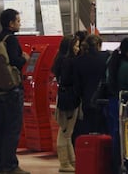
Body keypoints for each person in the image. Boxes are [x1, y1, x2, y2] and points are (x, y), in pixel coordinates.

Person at [0, 9, 30, 174]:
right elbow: (15, 61)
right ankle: (10, 165)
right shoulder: (11, 40)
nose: (19, 24)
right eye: (18, 21)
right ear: (11, 23)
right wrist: (25, 59)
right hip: (12, 90)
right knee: (12, 128)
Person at [106, 37, 128, 174]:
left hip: (113, 102)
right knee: (125, 135)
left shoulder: (112, 61)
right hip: (126, 105)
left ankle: (116, 164)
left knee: (116, 133)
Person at [51, 35, 80, 172]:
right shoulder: (70, 62)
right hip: (70, 98)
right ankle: (64, 163)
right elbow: (72, 80)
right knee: (65, 132)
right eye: (76, 45)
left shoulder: (59, 60)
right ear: (69, 47)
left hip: (62, 97)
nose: (78, 48)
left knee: (67, 131)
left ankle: (71, 160)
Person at [73, 34, 109, 135]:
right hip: (103, 100)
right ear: (98, 45)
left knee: (88, 129)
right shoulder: (106, 57)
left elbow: (77, 85)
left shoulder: (79, 60)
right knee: (103, 130)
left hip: (86, 99)